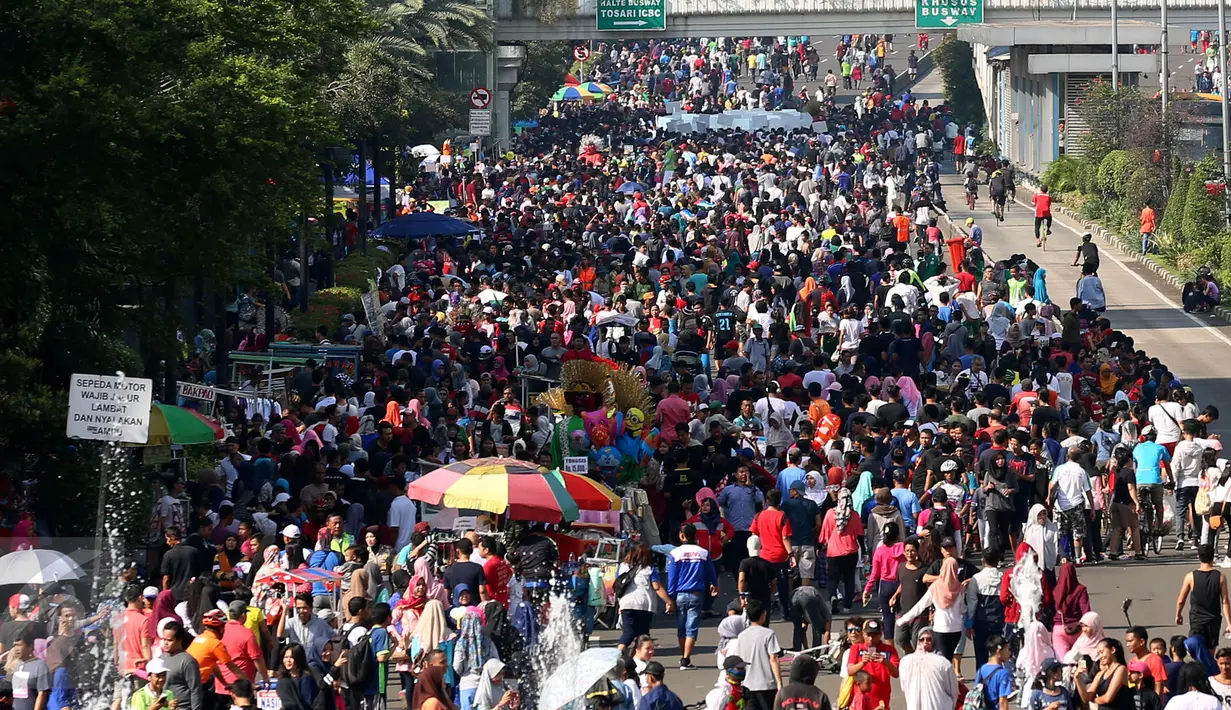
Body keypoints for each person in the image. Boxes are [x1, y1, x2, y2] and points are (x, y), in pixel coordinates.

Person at [666, 523, 719, 670]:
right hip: (696, 594)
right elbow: (710, 571)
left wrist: (670, 598)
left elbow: (672, 578)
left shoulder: (675, 553)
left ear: (681, 536)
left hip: (679, 595)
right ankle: (686, 658)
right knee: (692, 628)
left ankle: (684, 656)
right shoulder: (702, 552)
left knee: (681, 628)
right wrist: (714, 584)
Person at [616, 544, 672, 652]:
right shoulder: (649, 569)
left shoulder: (622, 567)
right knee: (643, 633)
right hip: (645, 605)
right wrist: (669, 601)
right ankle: (633, 655)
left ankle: (624, 653)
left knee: (629, 631)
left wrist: (619, 603)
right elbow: (657, 587)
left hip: (626, 603)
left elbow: (618, 585)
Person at [1176, 545, 1231, 651]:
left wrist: (1178, 615)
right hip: (1213, 621)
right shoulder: (1220, 577)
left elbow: (1181, 600)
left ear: (1198, 556)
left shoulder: (1190, 577)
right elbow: (1225, 602)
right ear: (1213, 558)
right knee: (1210, 653)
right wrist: (1229, 623)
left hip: (1197, 620)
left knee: (1196, 649)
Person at [733, 599, 784, 710]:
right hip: (766, 684)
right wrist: (779, 682)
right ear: (763, 615)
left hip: (748, 684)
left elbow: (739, 659)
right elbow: (773, 658)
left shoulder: (742, 635)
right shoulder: (768, 634)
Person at [899, 627, 958, 710]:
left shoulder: (943, 663)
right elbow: (905, 687)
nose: (925, 642)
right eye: (922, 639)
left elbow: (953, 691)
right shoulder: (905, 662)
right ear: (917, 641)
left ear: (934, 641)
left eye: (929, 639)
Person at [845, 619, 899, 710]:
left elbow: (896, 674)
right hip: (861, 701)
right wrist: (862, 662)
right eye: (868, 635)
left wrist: (885, 662)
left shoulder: (889, 650)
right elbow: (850, 671)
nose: (870, 639)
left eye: (874, 635)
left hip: (881, 700)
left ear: (880, 635)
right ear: (863, 634)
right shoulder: (856, 649)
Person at [1075, 639, 1131, 710]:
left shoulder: (1121, 669)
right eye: (1098, 654)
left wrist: (1094, 700)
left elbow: (1108, 698)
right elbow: (1086, 697)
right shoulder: (1100, 673)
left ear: (1113, 650)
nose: (1100, 656)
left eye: (1102, 652)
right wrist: (1077, 678)